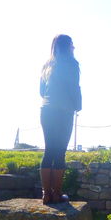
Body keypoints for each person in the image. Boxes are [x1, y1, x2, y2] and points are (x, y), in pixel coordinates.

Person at [39, 34, 82, 204]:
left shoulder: (47, 65)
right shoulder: (72, 64)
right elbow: (74, 87)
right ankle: (57, 194)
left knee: (49, 150)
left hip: (47, 110)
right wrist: (78, 105)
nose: (74, 47)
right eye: (72, 44)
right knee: (60, 152)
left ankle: (46, 194)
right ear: (67, 46)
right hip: (64, 112)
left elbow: (41, 91)